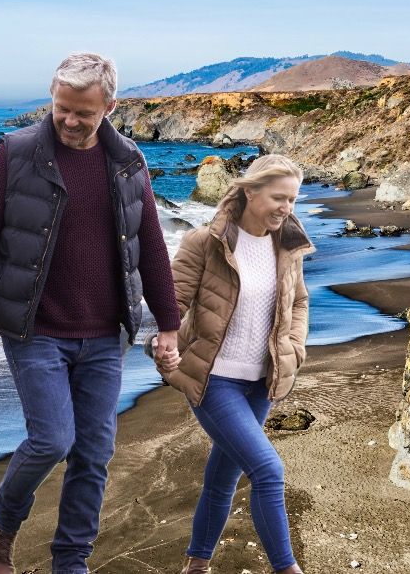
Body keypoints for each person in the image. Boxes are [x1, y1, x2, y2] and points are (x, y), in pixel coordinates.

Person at [0, 52, 180, 574]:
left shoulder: (129, 162)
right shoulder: (14, 153)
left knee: (93, 454)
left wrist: (169, 325)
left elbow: (152, 245)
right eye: (61, 109)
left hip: (104, 333)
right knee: (53, 438)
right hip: (35, 327)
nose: (70, 122)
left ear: (109, 107)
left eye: (84, 113)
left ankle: (71, 562)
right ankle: (1, 525)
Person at [153, 154, 313, 574]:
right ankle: (286, 569)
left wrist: (293, 348)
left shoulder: (288, 247)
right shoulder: (205, 242)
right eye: (279, 198)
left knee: (223, 477)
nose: (286, 208)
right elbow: (173, 299)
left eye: (293, 200)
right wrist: (163, 340)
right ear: (249, 192)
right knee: (267, 470)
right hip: (213, 379)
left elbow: (298, 302)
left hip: (262, 381)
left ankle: (197, 565)